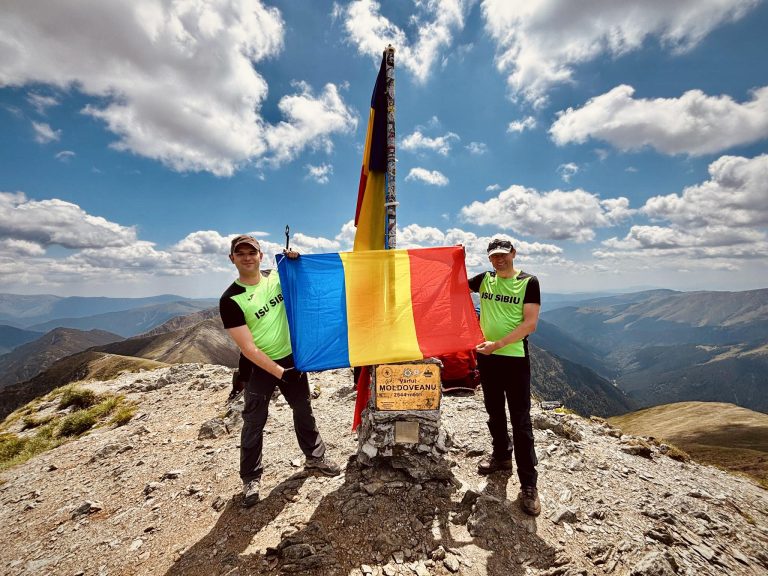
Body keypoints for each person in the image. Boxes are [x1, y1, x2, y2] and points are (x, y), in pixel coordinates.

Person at [219, 234, 340, 507]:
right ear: (232, 259)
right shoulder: (230, 299)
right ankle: (251, 478)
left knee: (303, 409)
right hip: (259, 367)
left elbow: (308, 287)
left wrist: (295, 261)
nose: (247, 257)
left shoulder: (277, 277)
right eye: (241, 253)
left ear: (261, 256)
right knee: (254, 422)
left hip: (293, 359)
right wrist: (279, 372)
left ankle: (315, 458)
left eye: (253, 252)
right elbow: (248, 348)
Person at [468, 238, 541, 516]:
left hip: (514, 360)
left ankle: (529, 485)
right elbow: (452, 284)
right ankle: (501, 457)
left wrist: (496, 345)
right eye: (493, 256)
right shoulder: (484, 279)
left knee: (521, 420)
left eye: (502, 254)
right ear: (489, 259)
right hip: (487, 359)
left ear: (513, 253)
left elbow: (530, 324)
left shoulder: (528, 282)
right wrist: (452, 257)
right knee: (494, 412)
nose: (498, 260)